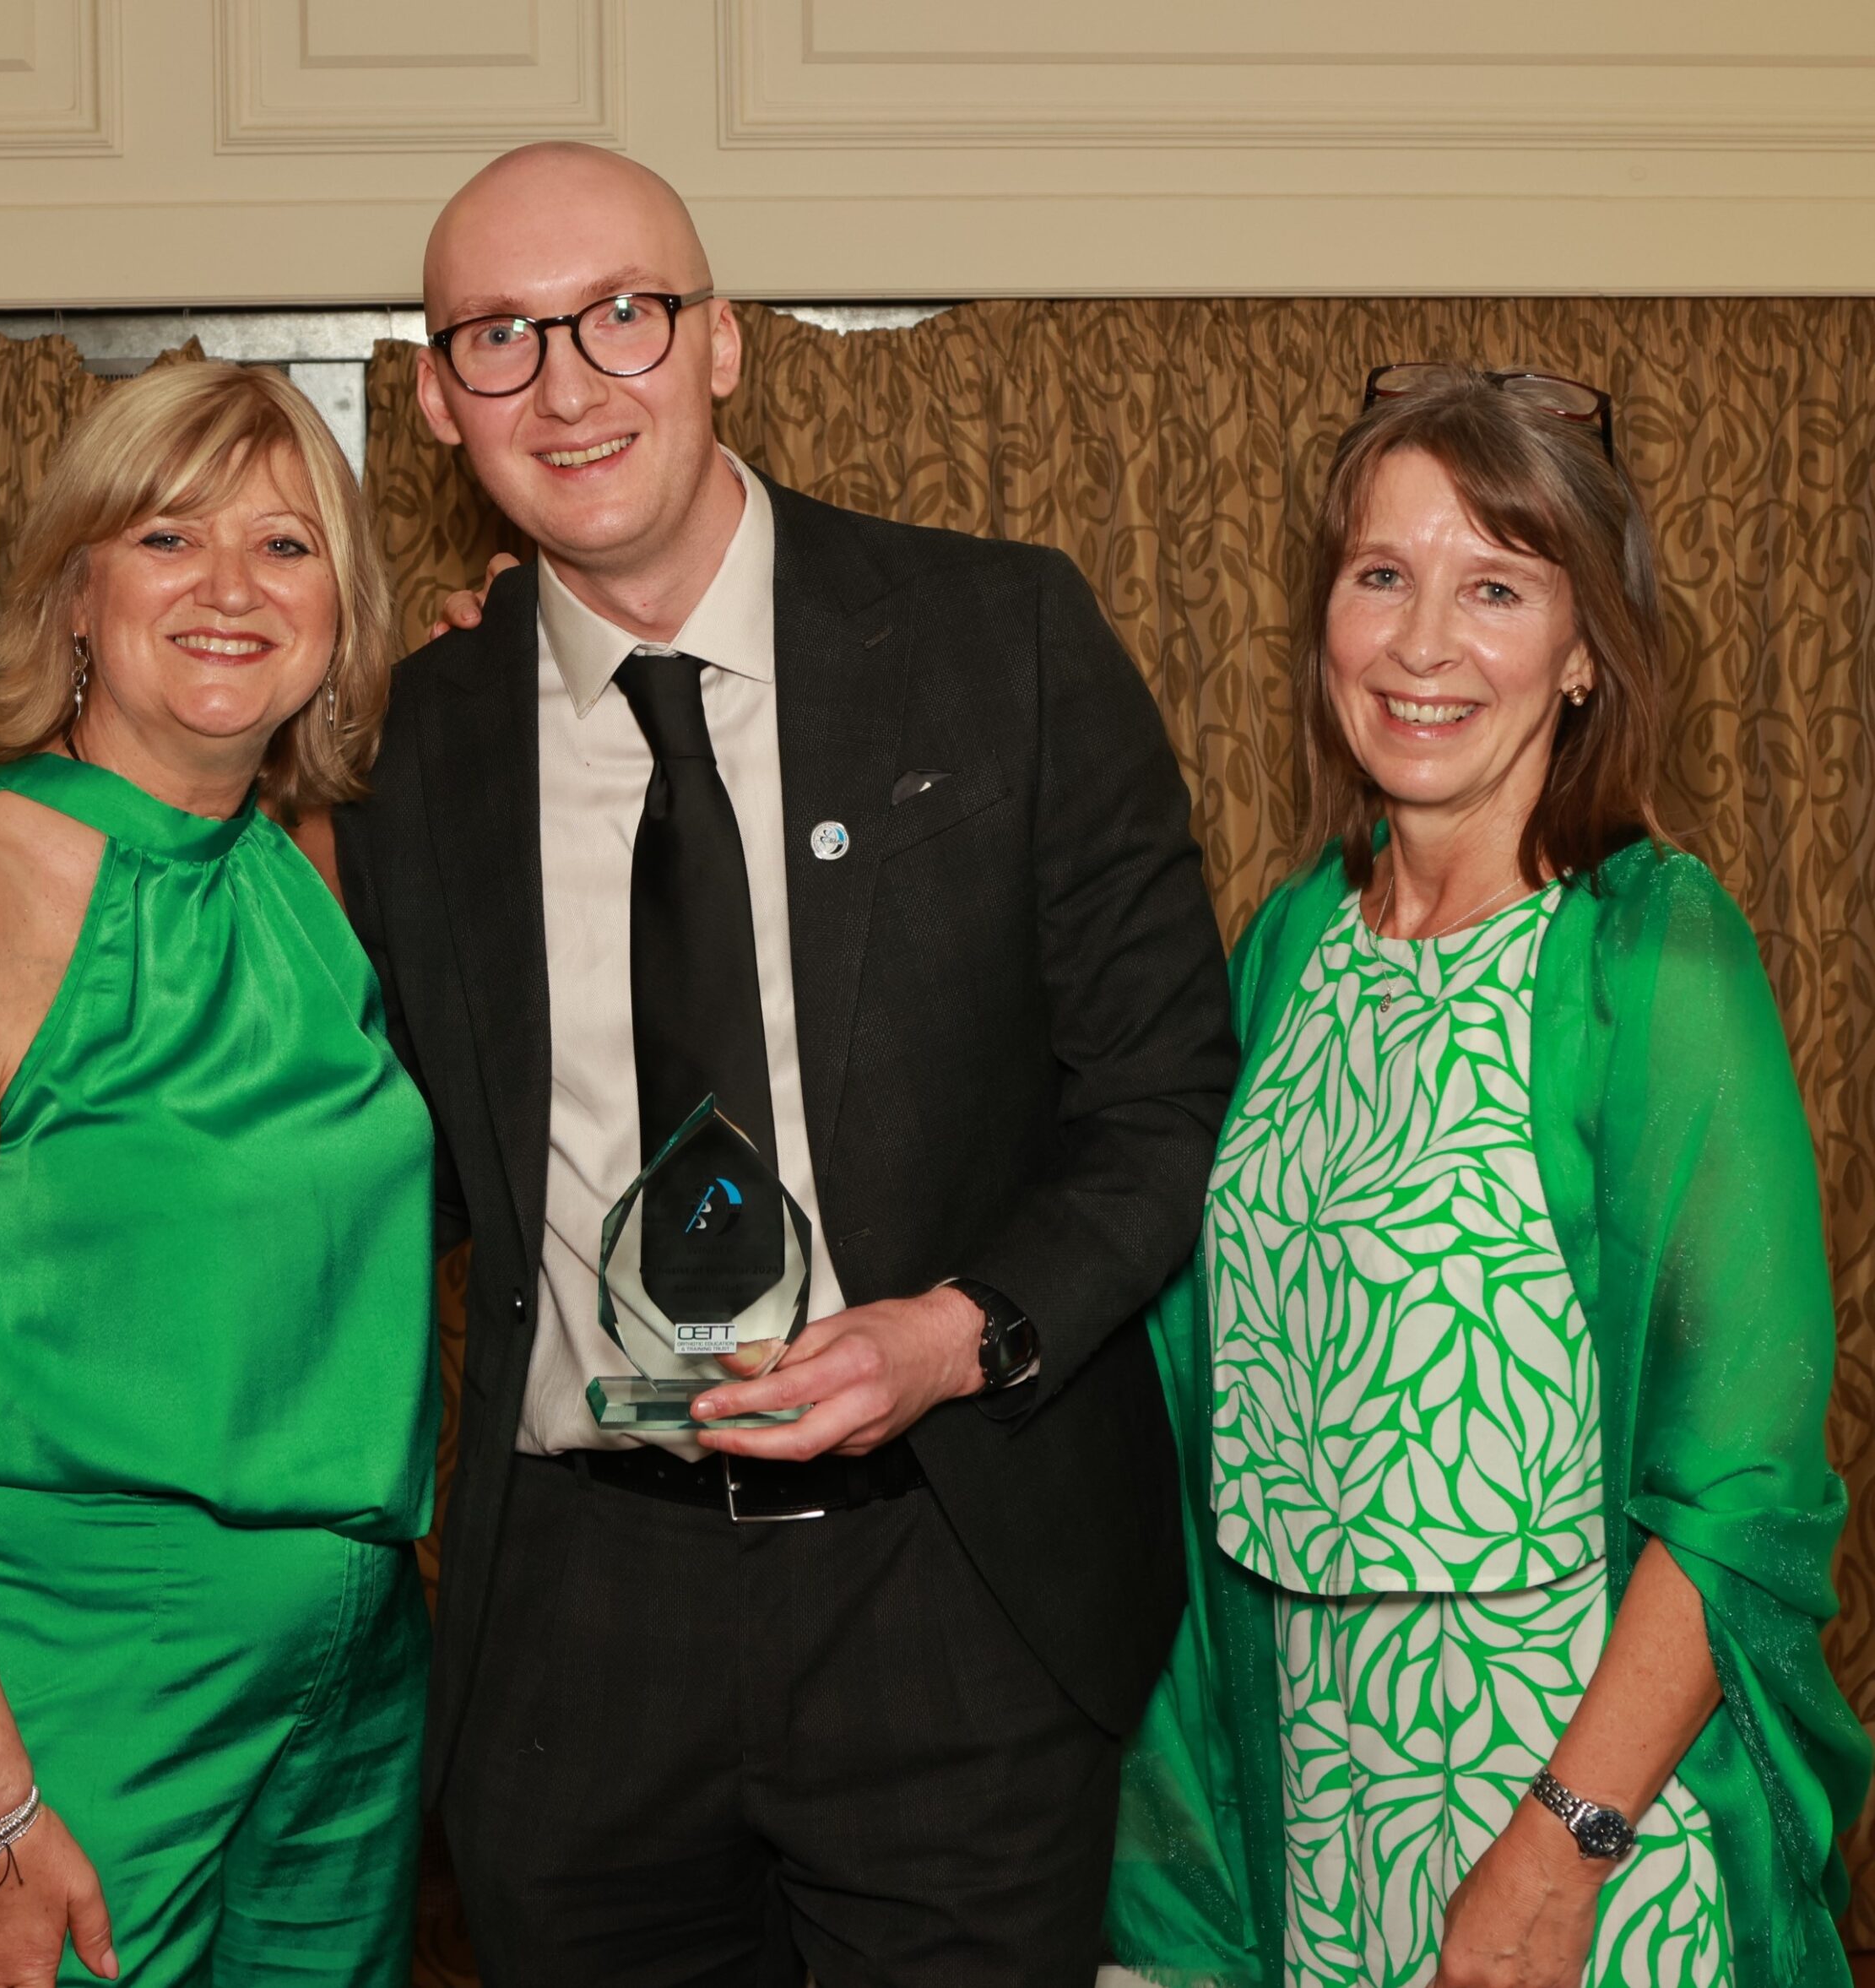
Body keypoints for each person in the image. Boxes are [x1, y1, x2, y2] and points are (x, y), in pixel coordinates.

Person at [328, 142, 1237, 1986]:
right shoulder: (408, 739)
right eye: (496, 336)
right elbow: (367, 1148)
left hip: (950, 1573)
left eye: (622, 316)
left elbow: (1161, 1091)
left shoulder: (1003, 640)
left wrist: (955, 1328)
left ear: (724, 342)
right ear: (434, 399)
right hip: (575, 1627)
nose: (567, 383)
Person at [1106, 365, 1871, 1988]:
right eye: (1380, 575)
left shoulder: (1650, 952)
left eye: (1497, 588)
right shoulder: (1294, 940)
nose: (1423, 642)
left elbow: (1740, 1491)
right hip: (1317, 1810)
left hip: (1582, 1827)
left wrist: (1557, 1850)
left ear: (1584, 650)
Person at [0, 360, 440, 1986]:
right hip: (80, 1666)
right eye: (165, 538)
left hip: (356, 1669)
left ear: (340, 617)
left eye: (286, 549)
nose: (229, 591)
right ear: (76, 590)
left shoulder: (306, 871)